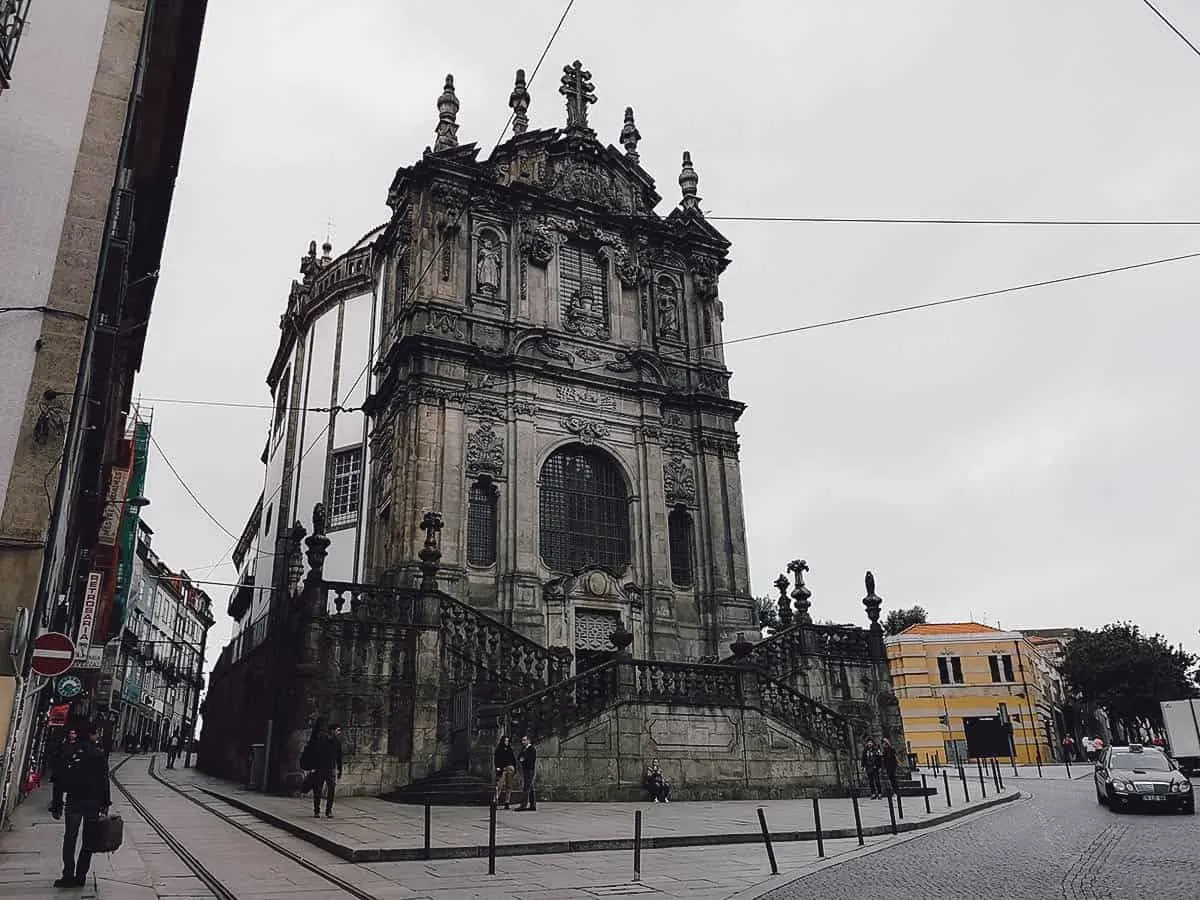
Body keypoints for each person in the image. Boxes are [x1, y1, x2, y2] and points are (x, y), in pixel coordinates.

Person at [49, 721, 110, 888]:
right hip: (92, 802)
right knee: (88, 840)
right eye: (96, 733)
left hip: (73, 800)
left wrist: (56, 803)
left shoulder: (70, 751)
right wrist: (105, 803)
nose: (97, 737)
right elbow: (104, 780)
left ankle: (68, 874)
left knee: (70, 838)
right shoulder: (98, 754)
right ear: (90, 735)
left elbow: (59, 779)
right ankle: (81, 875)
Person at [307, 724, 343, 818]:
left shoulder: (337, 743)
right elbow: (315, 754)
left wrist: (339, 769)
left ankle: (329, 811)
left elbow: (339, 757)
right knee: (318, 790)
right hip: (320, 768)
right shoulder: (321, 741)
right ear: (332, 731)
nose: (339, 733)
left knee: (331, 790)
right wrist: (313, 767)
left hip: (331, 769)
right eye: (337, 730)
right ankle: (317, 811)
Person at [493, 736, 517, 810]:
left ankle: (507, 802)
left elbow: (513, 759)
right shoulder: (499, 750)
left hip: (509, 768)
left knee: (509, 785)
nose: (506, 742)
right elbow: (496, 759)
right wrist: (497, 767)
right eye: (505, 741)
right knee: (499, 785)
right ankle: (495, 801)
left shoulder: (510, 749)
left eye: (507, 741)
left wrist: (514, 768)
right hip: (502, 769)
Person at [516, 735, 537, 812]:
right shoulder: (523, 749)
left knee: (526, 787)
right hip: (525, 769)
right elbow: (519, 757)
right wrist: (522, 759)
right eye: (522, 740)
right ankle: (532, 805)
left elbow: (529, 759)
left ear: (528, 741)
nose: (523, 742)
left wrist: (523, 759)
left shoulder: (532, 749)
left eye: (524, 740)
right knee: (530, 787)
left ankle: (523, 805)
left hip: (530, 770)